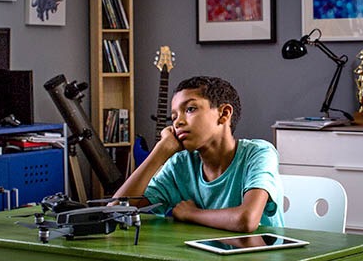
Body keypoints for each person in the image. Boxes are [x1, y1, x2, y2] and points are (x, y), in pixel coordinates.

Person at [113, 75, 284, 232]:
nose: (178, 122)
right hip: (202, 257)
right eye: (173, 117)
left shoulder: (258, 154)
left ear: (224, 114)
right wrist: (160, 151)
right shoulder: (179, 164)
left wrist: (191, 214)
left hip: (259, 258)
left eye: (190, 109)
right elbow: (115, 212)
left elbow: (246, 220)